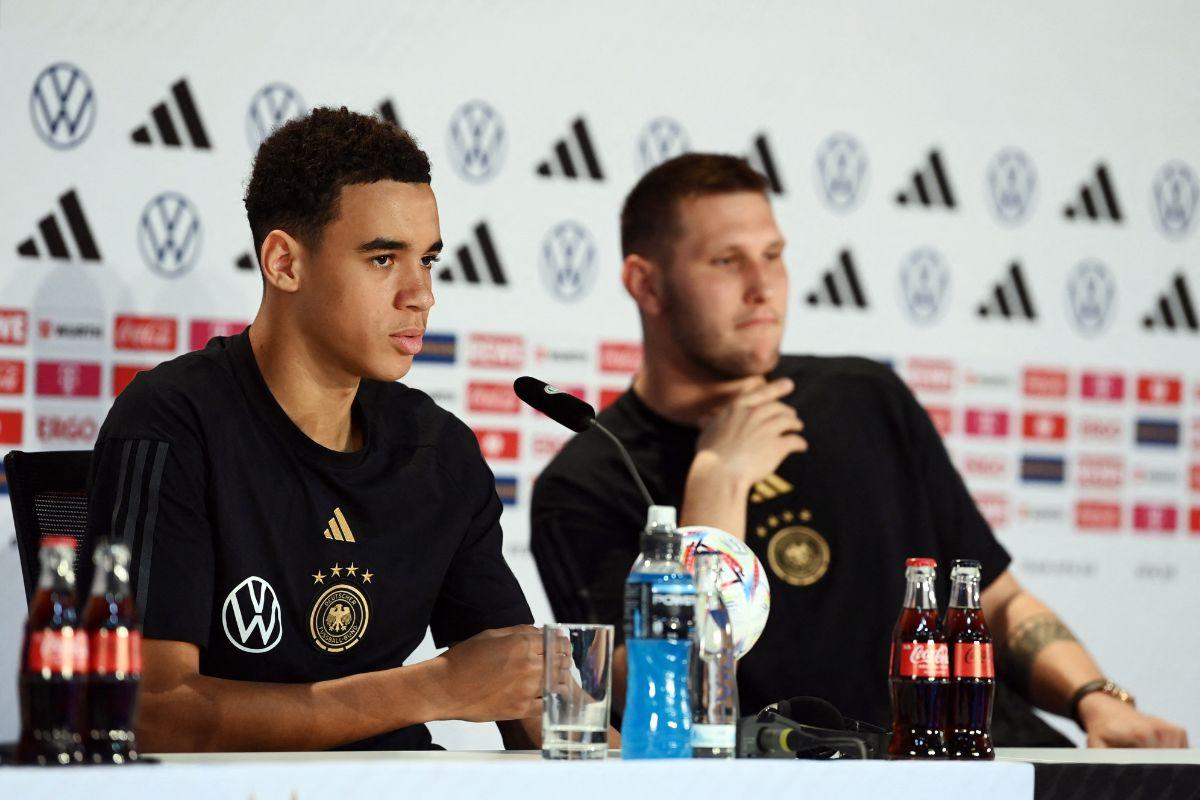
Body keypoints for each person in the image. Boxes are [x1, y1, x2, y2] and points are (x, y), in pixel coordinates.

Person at [531, 153, 1188, 748]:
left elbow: (996, 600)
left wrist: (1096, 699)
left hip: (983, 761)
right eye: (727, 261)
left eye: (774, 253)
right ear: (646, 285)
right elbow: (635, 701)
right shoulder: (588, 479)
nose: (765, 287)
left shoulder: (862, 396)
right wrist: (716, 491)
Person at [85, 108, 544, 752]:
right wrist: (432, 690)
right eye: (384, 259)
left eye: (429, 260)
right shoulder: (174, 420)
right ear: (284, 263)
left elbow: (527, 697)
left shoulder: (437, 450)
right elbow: (143, 710)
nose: (421, 295)